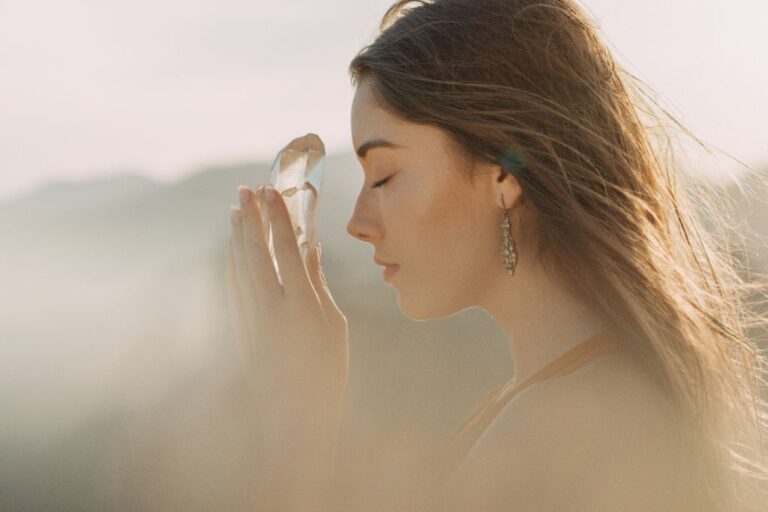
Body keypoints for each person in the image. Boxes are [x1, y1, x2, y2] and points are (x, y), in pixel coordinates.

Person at [225, 1, 768, 510]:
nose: (357, 224)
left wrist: (297, 423)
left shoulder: (562, 428)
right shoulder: (557, 393)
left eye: (384, 176)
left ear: (505, 174)